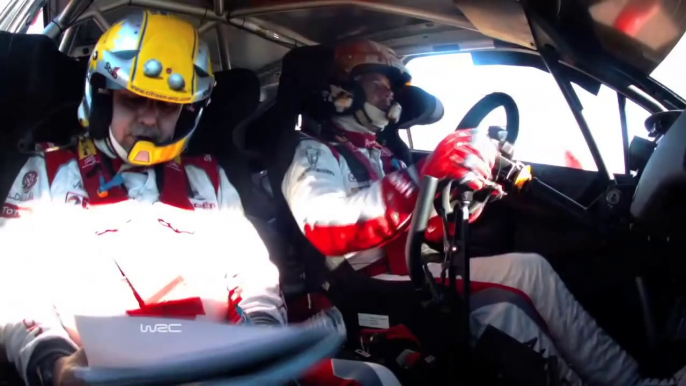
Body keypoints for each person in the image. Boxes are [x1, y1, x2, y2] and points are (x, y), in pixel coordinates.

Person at [281, 40, 686, 386]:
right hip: (366, 280)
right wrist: (423, 177)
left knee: (509, 306)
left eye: (391, 85)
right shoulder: (311, 153)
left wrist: (469, 189)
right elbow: (329, 227)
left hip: (409, 261)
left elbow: (420, 215)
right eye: (378, 83)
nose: (390, 94)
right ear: (340, 90)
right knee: (525, 274)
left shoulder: (380, 151)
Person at [0, 12, 290, 386]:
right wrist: (55, 363)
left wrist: (262, 335)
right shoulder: (49, 174)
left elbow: (253, 275)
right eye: (134, 100)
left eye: (167, 107)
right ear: (102, 99)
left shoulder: (209, 180)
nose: (150, 121)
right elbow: (15, 288)